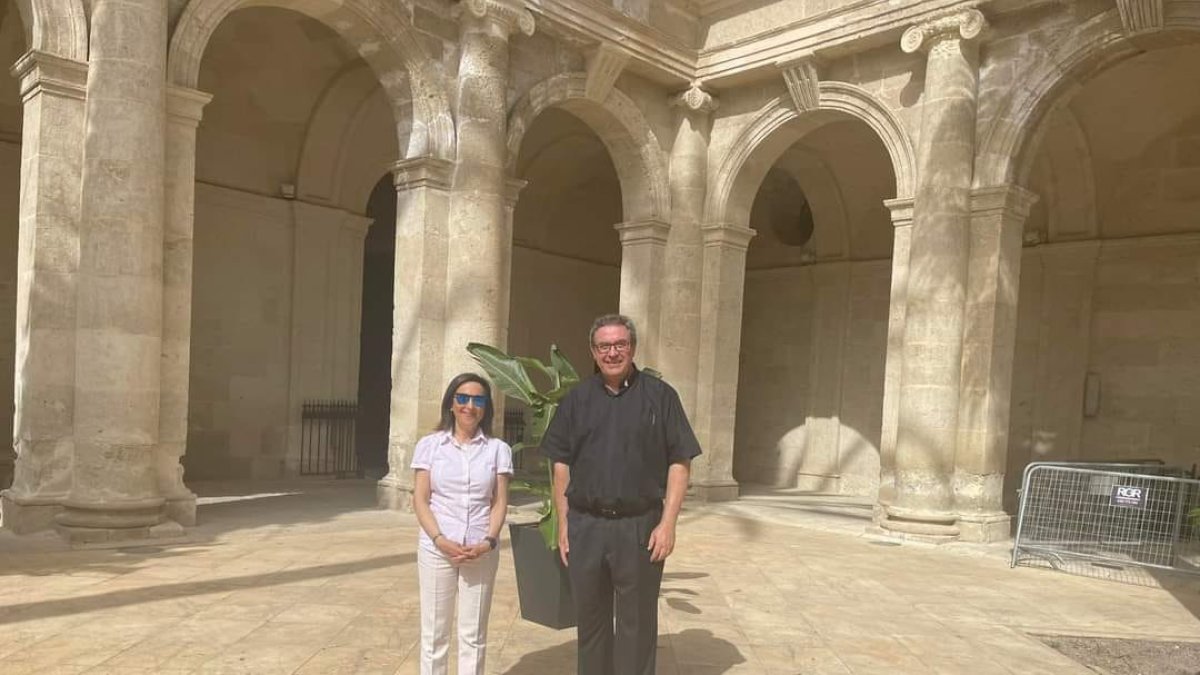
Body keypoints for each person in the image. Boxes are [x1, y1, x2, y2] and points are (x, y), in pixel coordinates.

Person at [541, 314, 702, 675]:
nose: (612, 352)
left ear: (632, 348)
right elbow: (561, 464)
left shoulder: (661, 397)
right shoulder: (576, 400)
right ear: (593, 352)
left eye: (620, 344)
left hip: (640, 528)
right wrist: (564, 525)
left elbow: (680, 461)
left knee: (637, 625)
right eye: (604, 346)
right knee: (591, 623)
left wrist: (668, 524)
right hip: (587, 526)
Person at [411, 373, 513, 675]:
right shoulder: (430, 445)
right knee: (434, 634)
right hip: (437, 548)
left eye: (478, 399)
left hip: (479, 550)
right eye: (463, 398)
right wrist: (439, 539)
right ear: (451, 403)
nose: (470, 405)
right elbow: (420, 498)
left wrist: (488, 541)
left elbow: (499, 501)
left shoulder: (498, 449)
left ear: (486, 407)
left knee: (473, 635)